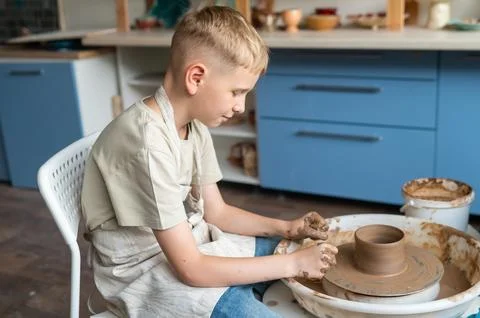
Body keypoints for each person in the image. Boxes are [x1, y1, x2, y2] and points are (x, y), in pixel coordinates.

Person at [81, 5, 338, 318]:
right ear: (196, 77)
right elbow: (191, 269)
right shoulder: (146, 144)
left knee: (289, 250)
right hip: (144, 269)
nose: (241, 107)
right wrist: (293, 264)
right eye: (236, 92)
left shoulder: (193, 124)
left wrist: (287, 228)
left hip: (188, 242)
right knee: (282, 276)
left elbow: (217, 212)